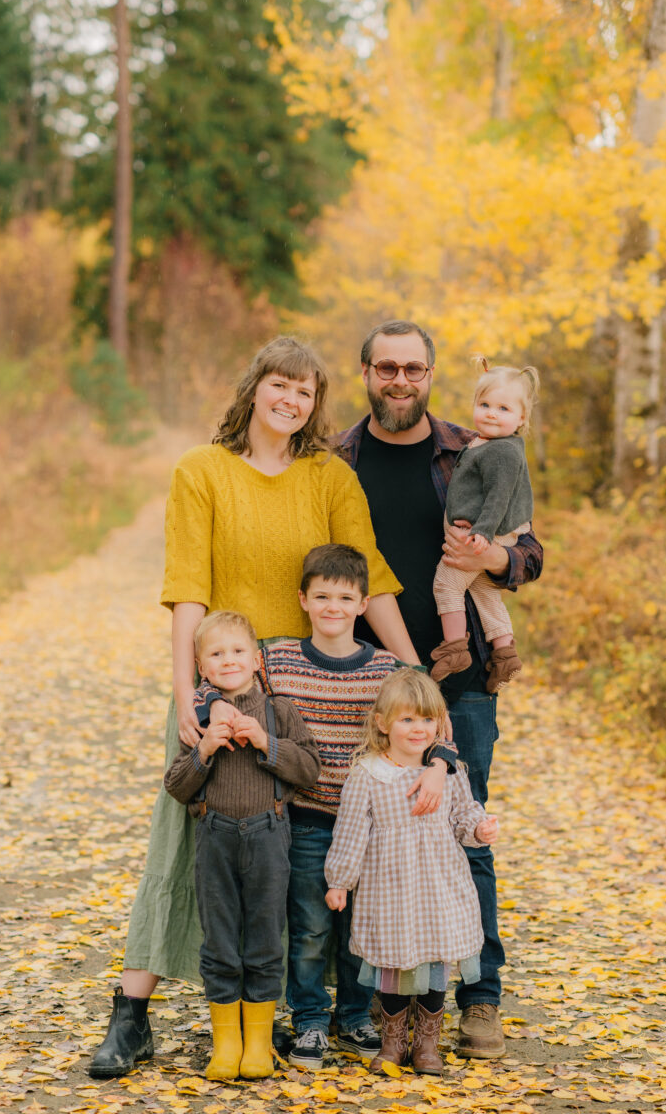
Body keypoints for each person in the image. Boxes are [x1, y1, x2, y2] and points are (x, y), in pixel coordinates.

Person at [88, 336, 419, 1079]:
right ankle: (131, 1013)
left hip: (299, 696)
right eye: (280, 384)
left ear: (314, 404)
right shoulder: (200, 472)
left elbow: (375, 582)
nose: (291, 400)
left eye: (306, 392)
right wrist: (187, 699)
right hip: (219, 684)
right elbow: (188, 591)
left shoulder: (328, 476)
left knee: (287, 863)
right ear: (254, 389)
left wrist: (414, 672)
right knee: (179, 845)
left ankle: (281, 1017)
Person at [335, 320, 543, 1060]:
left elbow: (529, 553)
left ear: (431, 374)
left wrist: (492, 552)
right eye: (385, 368)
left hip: (464, 683)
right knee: (362, 838)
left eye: (413, 368)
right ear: (365, 371)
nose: (400, 380)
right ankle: (367, 1006)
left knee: (466, 838)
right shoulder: (338, 460)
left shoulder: (476, 443)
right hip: (366, 681)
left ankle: (478, 1003)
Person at [250, 543, 458, 1070]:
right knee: (312, 924)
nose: (333, 607)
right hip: (310, 818)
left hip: (378, 826)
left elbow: (438, 729)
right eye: (322, 596)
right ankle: (311, 1022)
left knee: (362, 928)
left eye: (345, 597)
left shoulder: (387, 670)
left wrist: (439, 765)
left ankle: (355, 1015)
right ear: (303, 599)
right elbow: (231, 693)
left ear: (364, 603)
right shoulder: (277, 661)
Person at [163, 610, 319, 1080]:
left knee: (266, 937)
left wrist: (268, 744)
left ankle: (258, 1041)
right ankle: (225, 1041)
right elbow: (176, 785)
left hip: (268, 835)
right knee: (220, 940)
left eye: (236, 651)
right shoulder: (196, 722)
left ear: (256, 659)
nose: (227, 660)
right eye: (215, 654)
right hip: (215, 837)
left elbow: (310, 769)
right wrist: (205, 750)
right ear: (200, 667)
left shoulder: (278, 712)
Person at [324, 669, 499, 1075]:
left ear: (439, 723)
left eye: (426, 720)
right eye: (407, 719)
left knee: (436, 963)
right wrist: (340, 881)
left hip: (441, 886)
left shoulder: (449, 773)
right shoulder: (368, 775)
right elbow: (351, 833)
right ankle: (393, 1042)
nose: (418, 729)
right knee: (394, 967)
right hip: (391, 891)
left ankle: (427, 1045)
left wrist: (479, 827)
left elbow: (463, 815)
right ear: (383, 723)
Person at [430, 361, 540, 690]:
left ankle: (454, 649)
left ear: (521, 418)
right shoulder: (482, 443)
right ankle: (505, 654)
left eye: (503, 408)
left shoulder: (503, 452)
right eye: (484, 405)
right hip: (483, 530)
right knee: (484, 593)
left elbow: (499, 496)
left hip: (489, 533)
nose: (491, 413)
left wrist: (484, 532)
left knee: (447, 584)